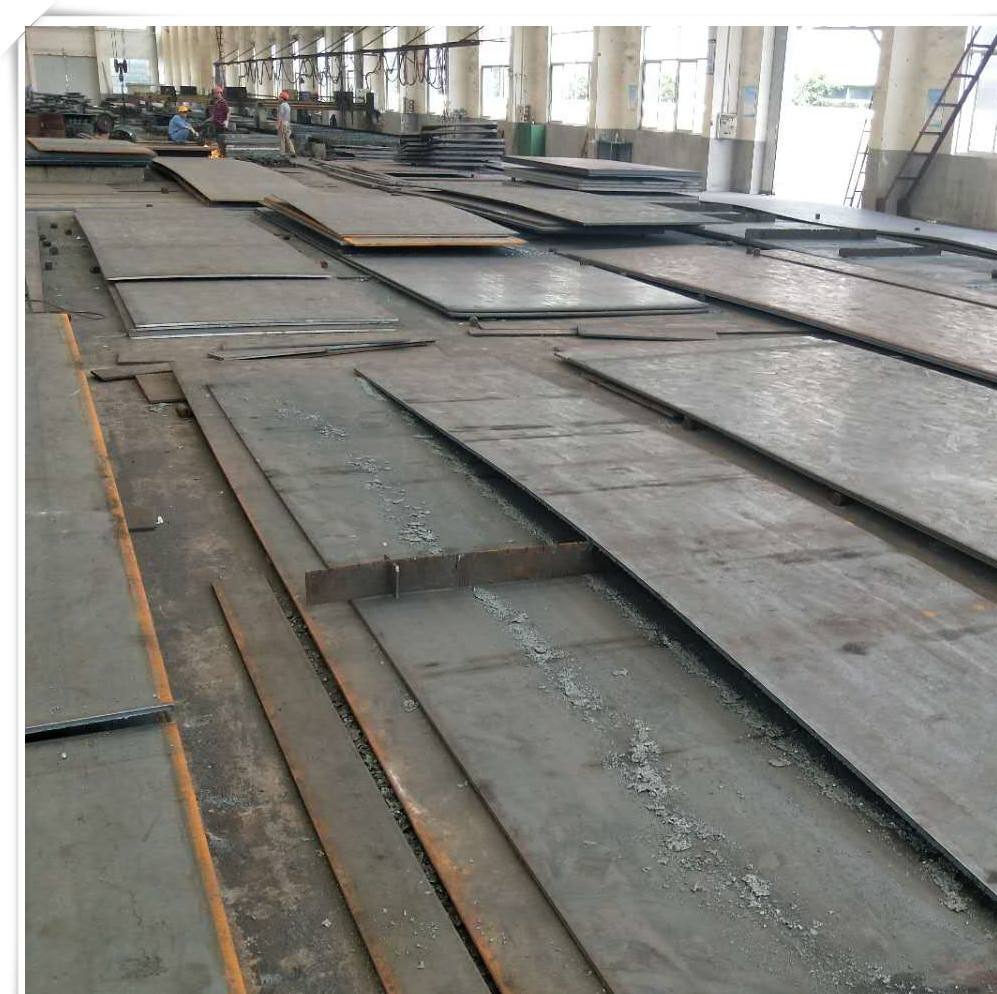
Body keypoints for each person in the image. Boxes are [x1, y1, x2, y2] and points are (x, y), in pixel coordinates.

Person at [206, 84, 230, 156]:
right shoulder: (216, 102)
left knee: (220, 139)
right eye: (216, 93)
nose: (216, 95)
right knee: (214, 138)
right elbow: (214, 114)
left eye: (218, 93)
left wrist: (226, 121)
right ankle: (216, 152)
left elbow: (228, 112)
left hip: (220, 124)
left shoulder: (223, 102)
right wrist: (210, 119)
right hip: (215, 123)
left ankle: (221, 153)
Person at [276, 90, 296, 157]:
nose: (279, 99)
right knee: (288, 138)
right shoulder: (287, 105)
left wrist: (278, 125)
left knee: (282, 138)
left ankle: (282, 153)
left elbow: (280, 116)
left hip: (283, 123)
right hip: (287, 123)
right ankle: (292, 151)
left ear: (282, 98)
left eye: (280, 97)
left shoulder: (282, 105)